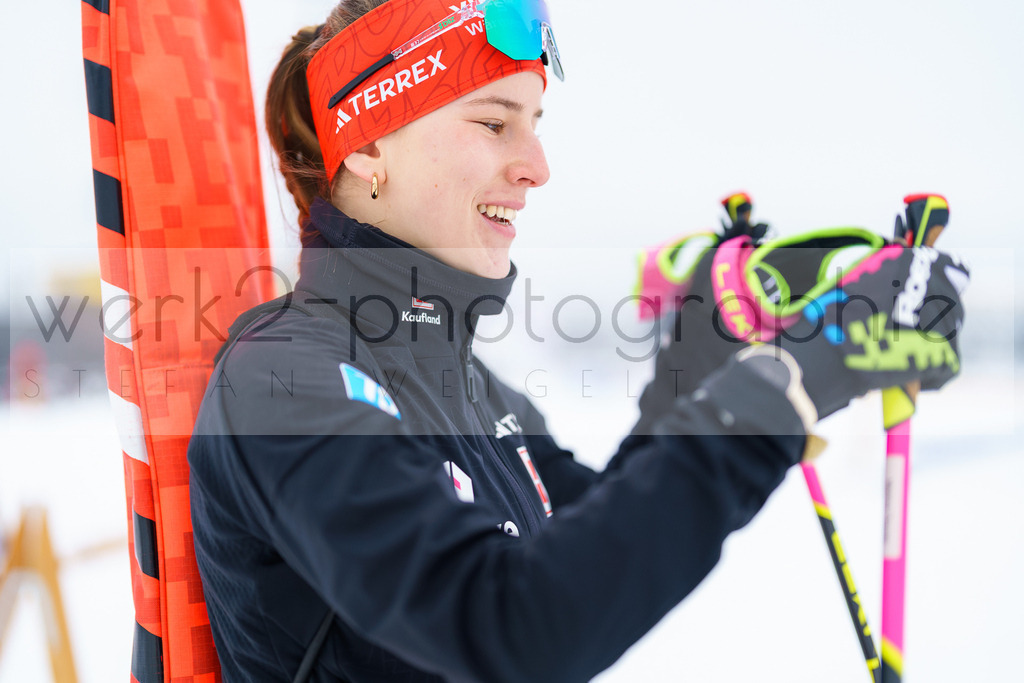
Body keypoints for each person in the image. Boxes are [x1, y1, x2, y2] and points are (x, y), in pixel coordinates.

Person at [186, 1, 969, 681]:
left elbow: (586, 554)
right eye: (494, 123)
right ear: (367, 147)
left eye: (533, 126)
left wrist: (703, 351)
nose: (538, 167)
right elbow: (509, 628)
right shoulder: (282, 381)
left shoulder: (468, 380)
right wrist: (781, 384)